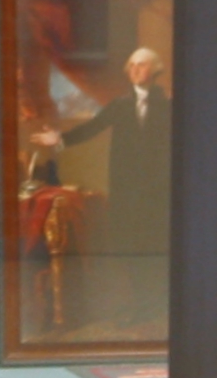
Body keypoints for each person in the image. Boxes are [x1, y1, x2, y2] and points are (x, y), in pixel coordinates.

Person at [29, 47, 171, 267]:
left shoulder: (167, 106)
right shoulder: (119, 105)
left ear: (155, 70)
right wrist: (59, 139)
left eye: (141, 65)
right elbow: (92, 128)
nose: (134, 70)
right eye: (131, 66)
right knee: (128, 245)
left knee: (156, 243)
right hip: (127, 186)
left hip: (158, 188)